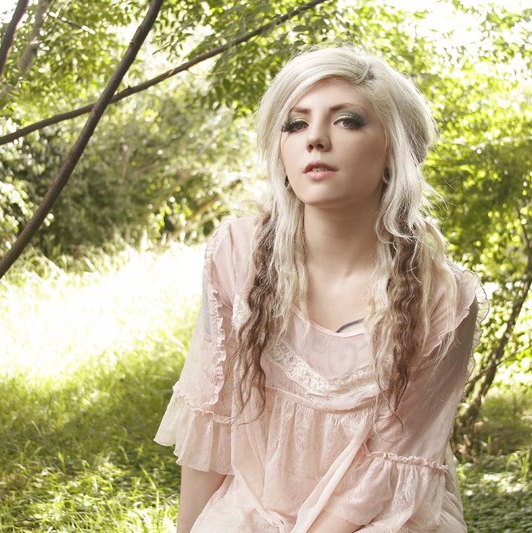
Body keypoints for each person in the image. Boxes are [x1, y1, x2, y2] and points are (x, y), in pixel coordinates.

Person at [155, 45, 484, 532]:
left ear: (393, 149)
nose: (315, 139)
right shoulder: (237, 254)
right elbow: (212, 415)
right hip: (251, 513)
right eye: (296, 124)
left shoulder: (445, 297)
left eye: (347, 120)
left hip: (381, 518)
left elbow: (392, 470)